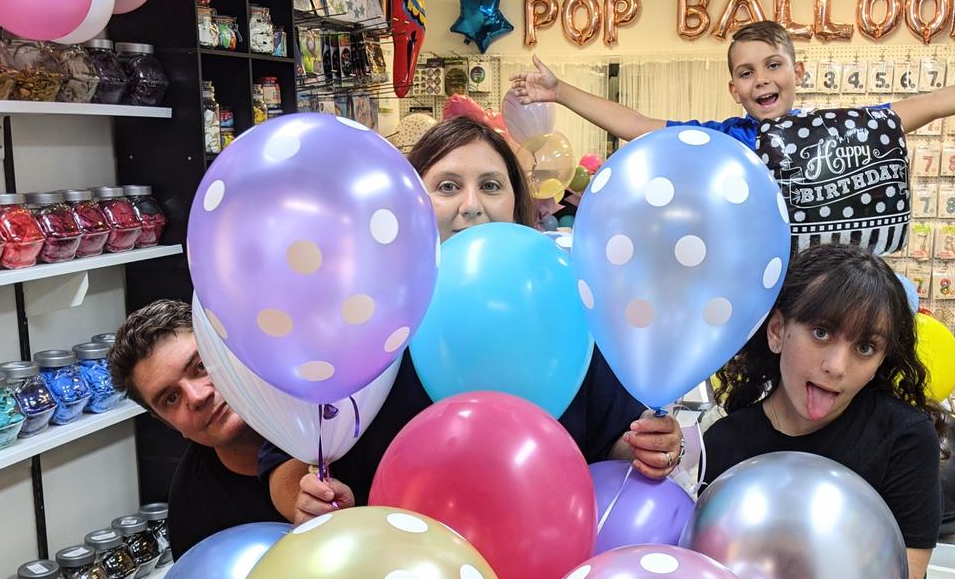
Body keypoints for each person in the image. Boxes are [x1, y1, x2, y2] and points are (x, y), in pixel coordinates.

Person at [275, 116, 684, 522]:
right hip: (390, 569)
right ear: (411, 202)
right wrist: (312, 500)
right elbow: (281, 462)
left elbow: (615, 437)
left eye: (490, 186)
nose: (471, 206)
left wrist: (651, 445)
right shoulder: (363, 310)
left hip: (541, 560)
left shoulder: (563, 303)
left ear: (514, 202)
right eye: (448, 187)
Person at [703, 243, 945, 579]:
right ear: (777, 331)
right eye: (820, 332)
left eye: (865, 347)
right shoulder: (725, 446)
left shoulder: (905, 439)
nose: (837, 366)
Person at [510, 20, 955, 144]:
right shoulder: (727, 136)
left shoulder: (836, 130)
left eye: (773, 65)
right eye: (746, 72)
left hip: (820, 298)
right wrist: (560, 92)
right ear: (733, 90)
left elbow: (930, 104)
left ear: (798, 73)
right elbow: (638, 127)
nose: (761, 79)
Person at [108, 300, 352, 557]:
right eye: (171, 398)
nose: (197, 396)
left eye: (201, 365)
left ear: (231, 350)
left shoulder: (336, 416)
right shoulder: (192, 511)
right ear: (169, 424)